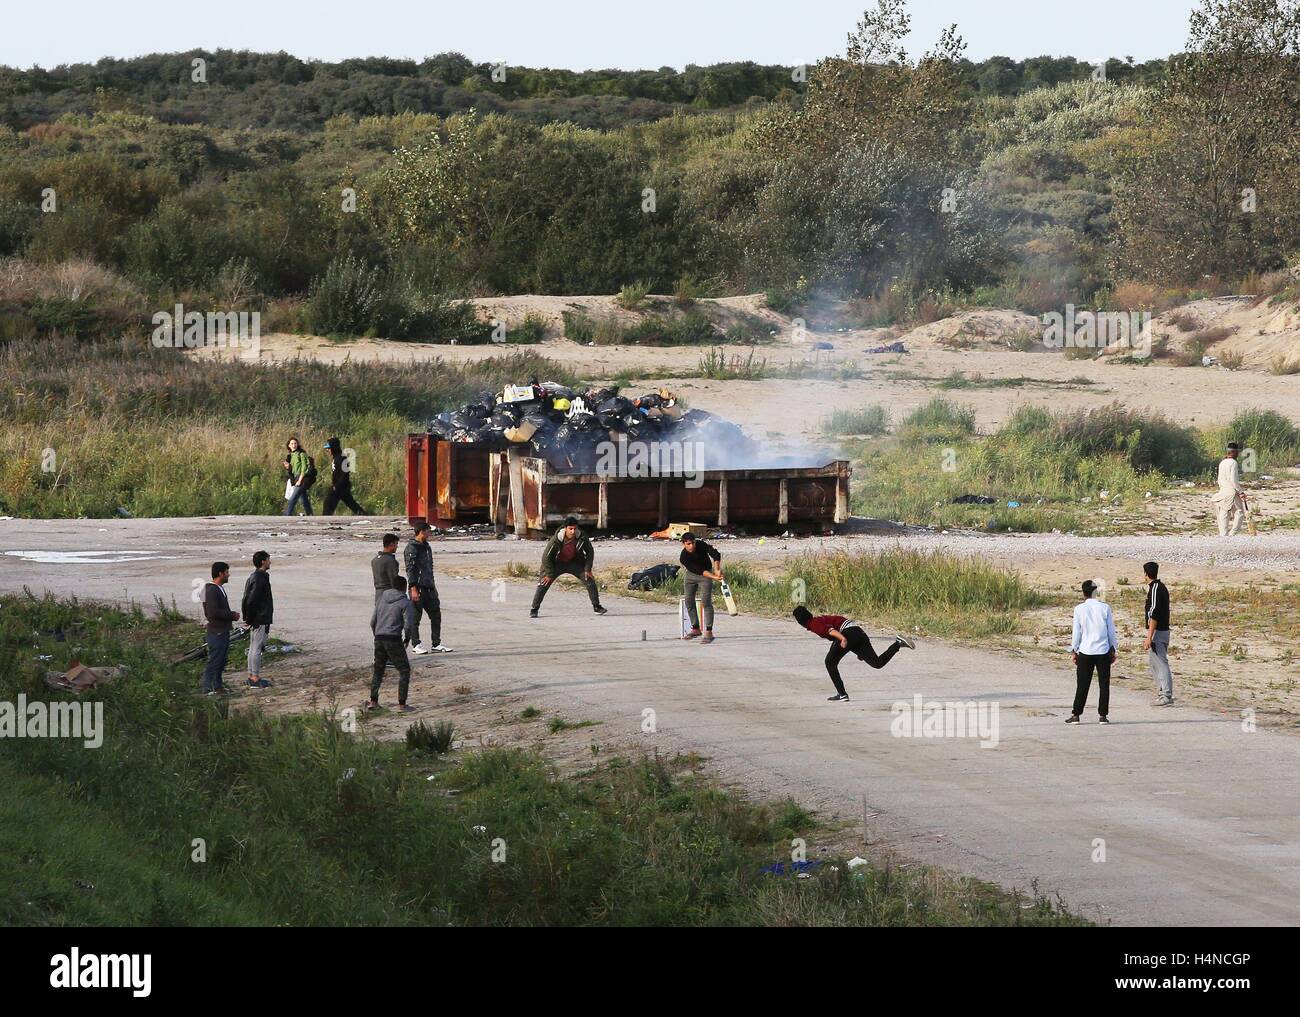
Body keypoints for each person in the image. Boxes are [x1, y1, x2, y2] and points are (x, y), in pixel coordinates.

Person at [793, 606, 914, 701]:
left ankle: (842, 694)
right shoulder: (818, 619)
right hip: (858, 631)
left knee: (830, 662)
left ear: (800, 621)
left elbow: (830, 630)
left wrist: (843, 639)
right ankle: (898, 643)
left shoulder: (813, 624)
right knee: (877, 663)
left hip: (847, 633)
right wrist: (858, 650)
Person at [530, 515, 607, 618]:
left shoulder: (582, 537)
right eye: (570, 529)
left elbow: (590, 552)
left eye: (574, 529)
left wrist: (587, 569)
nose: (572, 531)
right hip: (556, 564)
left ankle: (596, 606)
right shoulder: (556, 539)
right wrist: (548, 574)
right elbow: (546, 557)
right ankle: (534, 609)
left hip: (574, 563)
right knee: (543, 583)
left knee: (589, 580)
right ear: (565, 528)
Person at [1068, 580, 1118, 724]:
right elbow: (1111, 631)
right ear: (1095, 592)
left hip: (1085, 650)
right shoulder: (1105, 608)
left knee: (1082, 684)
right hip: (1102, 650)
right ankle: (1103, 715)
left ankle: (1076, 714)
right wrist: (1113, 648)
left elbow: (1076, 632)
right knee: (1104, 684)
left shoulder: (1079, 609)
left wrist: (1074, 650)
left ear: (1083, 593)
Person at [403, 523, 451, 653]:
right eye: (428, 532)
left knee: (436, 615)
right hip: (418, 588)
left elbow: (430, 567)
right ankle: (416, 644)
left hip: (429, 587)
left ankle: (436, 643)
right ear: (421, 532)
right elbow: (410, 569)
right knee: (415, 618)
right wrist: (413, 587)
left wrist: (433, 585)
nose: (430, 534)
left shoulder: (426, 547)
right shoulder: (412, 547)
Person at [370, 576, 414, 712]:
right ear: (404, 587)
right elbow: (408, 625)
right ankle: (402, 704)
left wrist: (377, 634)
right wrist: (407, 638)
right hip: (393, 638)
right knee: (404, 670)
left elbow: (373, 621)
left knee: (378, 670)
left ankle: (373, 701)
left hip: (379, 637)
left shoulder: (381, 600)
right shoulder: (405, 603)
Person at [201, 561, 240, 695]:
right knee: (215, 659)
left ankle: (218, 686)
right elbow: (212, 613)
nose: (228, 575)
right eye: (227, 572)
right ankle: (208, 687)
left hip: (222, 630)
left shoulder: (217, 589)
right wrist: (232, 615)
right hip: (216, 631)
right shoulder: (211, 590)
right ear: (220, 573)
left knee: (221, 660)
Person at [240, 550, 274, 690]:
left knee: (254, 646)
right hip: (260, 618)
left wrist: (248, 617)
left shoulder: (255, 576)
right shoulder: (259, 578)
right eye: (268, 559)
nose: (270, 562)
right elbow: (251, 600)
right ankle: (254, 677)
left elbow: (246, 599)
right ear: (262, 562)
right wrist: (249, 618)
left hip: (257, 618)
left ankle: (251, 676)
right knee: (256, 648)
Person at [679, 532, 722, 642]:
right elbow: (698, 570)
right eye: (688, 544)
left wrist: (717, 568)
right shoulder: (683, 557)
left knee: (706, 602)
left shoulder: (701, 545)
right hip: (692, 575)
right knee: (689, 601)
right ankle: (696, 628)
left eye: (693, 543)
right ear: (683, 544)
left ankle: (708, 631)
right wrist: (714, 577)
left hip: (706, 575)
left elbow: (715, 554)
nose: (691, 546)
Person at [1143, 561, 1173, 706]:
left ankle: (1166, 695)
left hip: (1158, 632)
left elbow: (1154, 613)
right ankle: (1162, 692)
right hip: (1161, 631)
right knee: (1154, 663)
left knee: (1161, 663)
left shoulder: (1155, 588)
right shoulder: (1161, 587)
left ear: (1145, 574)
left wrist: (1149, 636)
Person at [321, 437, 369, 516]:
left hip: (341, 487)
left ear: (333, 447)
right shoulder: (336, 457)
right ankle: (363, 515)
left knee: (328, 503)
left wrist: (336, 485)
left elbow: (345, 474)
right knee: (350, 503)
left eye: (329, 448)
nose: (327, 450)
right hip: (339, 486)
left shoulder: (342, 458)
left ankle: (325, 520)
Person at [1213, 441, 1246, 536]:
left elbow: (1219, 479)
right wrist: (1241, 492)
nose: (1238, 454)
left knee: (1224, 513)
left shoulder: (1222, 463)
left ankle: (1223, 534)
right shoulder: (1233, 463)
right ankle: (1232, 533)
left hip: (1222, 490)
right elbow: (1234, 480)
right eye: (1237, 452)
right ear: (1234, 452)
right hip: (1232, 491)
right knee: (1239, 512)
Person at [282, 436, 314, 516]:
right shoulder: (291, 455)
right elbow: (292, 469)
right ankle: (310, 514)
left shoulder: (301, 454)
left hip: (301, 477)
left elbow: (304, 467)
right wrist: (288, 466)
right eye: (292, 443)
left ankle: (287, 515)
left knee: (293, 498)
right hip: (295, 477)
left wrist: (300, 480)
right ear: (289, 445)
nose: (294, 445)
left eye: (295, 443)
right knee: (304, 499)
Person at [372, 533, 400, 603]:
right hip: (388, 594)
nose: (397, 546)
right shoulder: (390, 560)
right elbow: (394, 580)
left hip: (378, 594)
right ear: (391, 544)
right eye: (396, 544)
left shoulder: (375, 560)